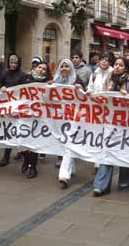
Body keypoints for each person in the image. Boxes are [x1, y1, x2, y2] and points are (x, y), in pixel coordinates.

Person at [93, 57, 129, 196]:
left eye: (121, 65)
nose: (117, 67)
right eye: (116, 64)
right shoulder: (110, 78)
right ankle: (101, 185)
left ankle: (125, 179)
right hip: (110, 121)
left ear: (125, 68)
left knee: (124, 151)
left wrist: (127, 95)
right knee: (107, 152)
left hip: (126, 123)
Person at [54, 59, 84, 188]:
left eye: (67, 66)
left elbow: (86, 96)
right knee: (65, 144)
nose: (64, 68)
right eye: (62, 66)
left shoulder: (77, 80)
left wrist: (80, 88)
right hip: (59, 118)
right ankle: (70, 168)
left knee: (69, 143)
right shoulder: (55, 81)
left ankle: (64, 175)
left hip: (74, 117)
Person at [21, 61, 52, 179]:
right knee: (23, 142)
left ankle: (32, 166)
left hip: (38, 116)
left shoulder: (47, 83)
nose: (41, 70)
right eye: (39, 67)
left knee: (34, 142)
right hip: (24, 114)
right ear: (35, 67)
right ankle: (26, 160)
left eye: (44, 69)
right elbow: (15, 90)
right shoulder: (26, 78)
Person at [0, 53, 26, 167]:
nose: (13, 65)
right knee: (8, 131)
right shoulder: (5, 74)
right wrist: (1, 88)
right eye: (11, 62)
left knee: (20, 131)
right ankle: (6, 156)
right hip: (7, 107)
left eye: (15, 63)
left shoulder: (22, 75)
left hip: (18, 108)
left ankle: (25, 156)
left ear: (18, 63)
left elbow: (25, 90)